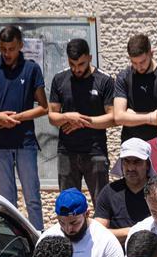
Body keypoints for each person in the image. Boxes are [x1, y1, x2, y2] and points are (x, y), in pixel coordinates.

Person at [0, 24, 47, 229]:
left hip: (25, 143)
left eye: (11, 49)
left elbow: (44, 107)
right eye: (3, 49)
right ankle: (14, 241)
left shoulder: (32, 69)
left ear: (20, 46)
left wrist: (18, 118)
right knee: (7, 201)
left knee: (32, 198)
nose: (7, 53)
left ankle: (38, 238)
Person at [47, 38, 115, 198]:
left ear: (90, 58)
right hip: (66, 151)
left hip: (95, 151)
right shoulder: (59, 79)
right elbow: (52, 116)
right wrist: (68, 116)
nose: (76, 69)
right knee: (69, 204)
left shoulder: (104, 80)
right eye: (72, 64)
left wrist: (82, 122)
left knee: (102, 202)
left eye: (81, 64)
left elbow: (112, 118)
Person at [32, 188, 128, 257]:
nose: (68, 229)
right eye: (62, 223)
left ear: (87, 214)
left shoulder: (105, 239)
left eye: (74, 223)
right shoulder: (48, 237)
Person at [114, 33, 157, 142]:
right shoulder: (123, 77)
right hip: (131, 143)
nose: (139, 67)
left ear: (151, 53)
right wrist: (150, 117)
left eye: (142, 62)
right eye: (134, 62)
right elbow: (118, 117)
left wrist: (131, 116)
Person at [93, 137, 153, 242]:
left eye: (137, 162)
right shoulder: (109, 191)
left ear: (147, 165)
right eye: (126, 161)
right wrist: (132, 231)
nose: (131, 168)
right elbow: (98, 232)